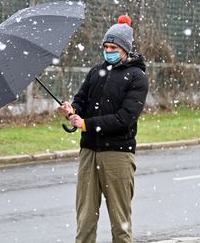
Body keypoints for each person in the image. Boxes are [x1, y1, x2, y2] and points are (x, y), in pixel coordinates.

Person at [57, 15, 149, 243]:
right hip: (89, 153)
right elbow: (81, 100)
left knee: (121, 224)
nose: (108, 51)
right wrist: (72, 109)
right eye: (106, 46)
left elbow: (125, 118)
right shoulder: (95, 72)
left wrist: (87, 123)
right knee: (85, 220)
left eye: (113, 47)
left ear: (125, 49)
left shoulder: (137, 78)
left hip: (118, 155)